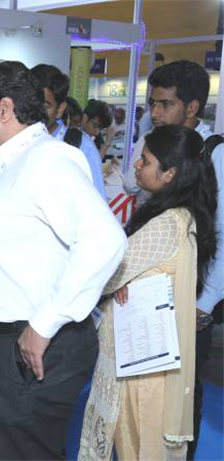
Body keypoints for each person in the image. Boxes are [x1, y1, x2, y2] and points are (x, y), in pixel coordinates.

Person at [0, 61, 126, 461]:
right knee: (14, 448)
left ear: (4, 109)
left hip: (37, 345)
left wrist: (42, 326)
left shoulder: (47, 160)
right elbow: (2, 263)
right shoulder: (10, 163)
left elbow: (105, 240)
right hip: (7, 343)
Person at [79, 125, 219, 461]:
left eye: (145, 160)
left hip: (140, 364)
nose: (137, 166)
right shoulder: (179, 214)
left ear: (170, 173)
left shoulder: (166, 224)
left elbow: (105, 275)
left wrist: (116, 280)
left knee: (138, 445)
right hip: (146, 356)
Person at [120, 59, 224, 459]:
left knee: (181, 398)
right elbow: (134, 188)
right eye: (153, 103)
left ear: (192, 107)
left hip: (190, 299)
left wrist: (204, 303)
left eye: (166, 104)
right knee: (141, 392)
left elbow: (221, 235)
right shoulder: (153, 140)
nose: (156, 112)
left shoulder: (214, 154)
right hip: (147, 294)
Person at [31, 64, 106, 198]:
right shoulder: (12, 142)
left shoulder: (82, 147)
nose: (35, 110)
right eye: (31, 102)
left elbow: (98, 201)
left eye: (45, 106)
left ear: (60, 109)